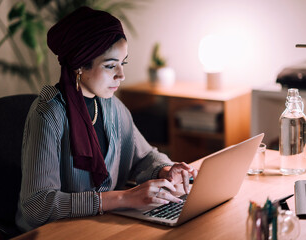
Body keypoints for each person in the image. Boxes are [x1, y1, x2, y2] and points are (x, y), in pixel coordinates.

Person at [15, 6, 197, 232]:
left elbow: (143, 156)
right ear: (80, 65)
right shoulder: (48, 114)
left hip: (100, 226)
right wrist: (121, 199)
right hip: (59, 233)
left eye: (123, 63)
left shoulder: (110, 105)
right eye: (111, 65)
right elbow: (37, 206)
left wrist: (166, 170)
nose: (121, 75)